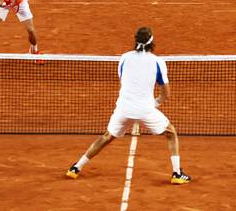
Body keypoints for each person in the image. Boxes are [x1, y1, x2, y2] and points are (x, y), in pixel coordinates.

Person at [66, 27, 191, 185]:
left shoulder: (124, 58)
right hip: (146, 110)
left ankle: (76, 168)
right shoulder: (158, 62)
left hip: (124, 108)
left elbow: (124, 82)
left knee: (106, 137)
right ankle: (177, 174)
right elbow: (166, 94)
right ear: (152, 43)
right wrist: (153, 104)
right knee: (171, 133)